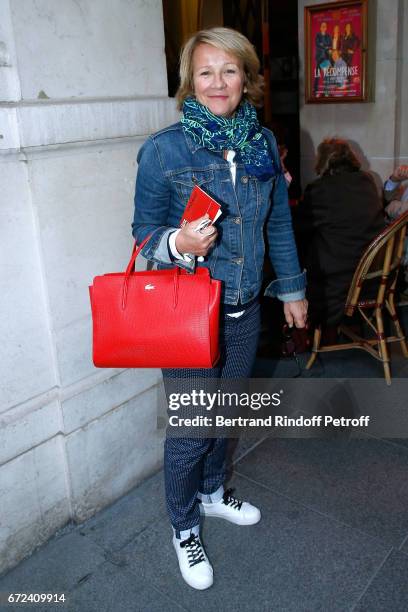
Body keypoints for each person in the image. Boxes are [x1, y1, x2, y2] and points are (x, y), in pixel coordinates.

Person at [132, 27, 307, 590]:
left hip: (245, 307)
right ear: (190, 80)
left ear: (246, 78)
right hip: (187, 312)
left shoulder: (261, 143)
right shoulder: (164, 150)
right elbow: (142, 234)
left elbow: (277, 223)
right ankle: (183, 526)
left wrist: (294, 289)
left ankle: (210, 495)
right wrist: (177, 244)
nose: (217, 82)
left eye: (228, 70)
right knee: (191, 428)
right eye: (205, 71)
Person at [295, 138, 385, 328]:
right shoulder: (367, 181)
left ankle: (291, 329)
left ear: (322, 161)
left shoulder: (320, 189)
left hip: (338, 286)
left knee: (294, 247)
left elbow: (298, 226)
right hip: (375, 278)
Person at [313, 21, 332, 96]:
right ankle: (315, 91)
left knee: (327, 75)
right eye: (322, 26)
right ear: (320, 28)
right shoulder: (318, 35)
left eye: (325, 26)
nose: (324, 27)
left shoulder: (328, 35)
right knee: (317, 75)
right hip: (319, 58)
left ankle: (326, 92)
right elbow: (318, 44)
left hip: (326, 58)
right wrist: (325, 46)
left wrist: (324, 45)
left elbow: (330, 45)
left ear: (326, 28)